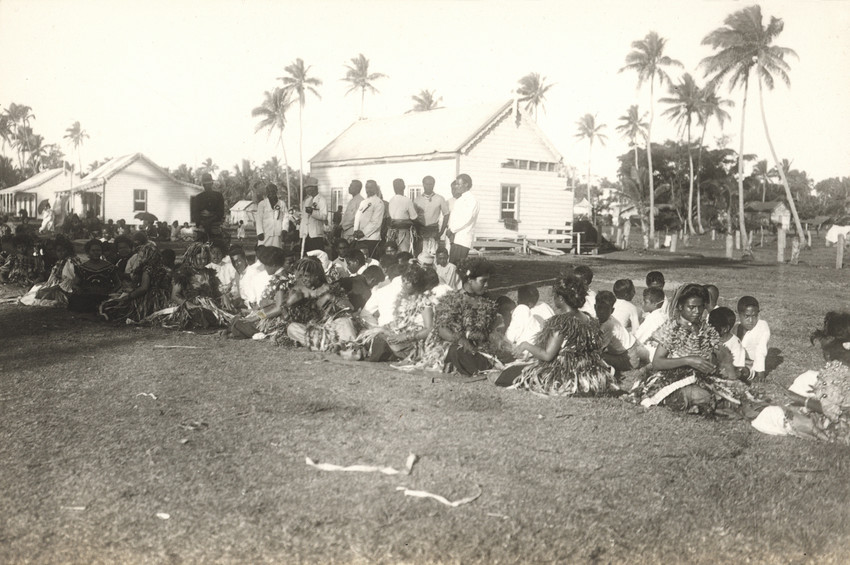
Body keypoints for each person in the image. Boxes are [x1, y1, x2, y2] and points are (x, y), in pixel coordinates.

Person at [630, 284, 737, 413]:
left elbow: (723, 355)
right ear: (681, 307)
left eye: (700, 307)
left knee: (730, 395)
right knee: (701, 396)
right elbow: (657, 362)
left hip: (701, 377)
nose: (697, 311)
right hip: (672, 378)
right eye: (691, 307)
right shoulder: (672, 329)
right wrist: (688, 360)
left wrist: (731, 379)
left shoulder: (705, 329)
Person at [752, 311, 850, 445]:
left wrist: (802, 400)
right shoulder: (841, 366)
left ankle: (791, 411)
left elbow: (834, 411)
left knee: (770, 414)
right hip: (839, 413)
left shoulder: (838, 371)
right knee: (807, 378)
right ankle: (792, 408)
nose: (826, 355)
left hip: (839, 429)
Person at [506, 275, 615, 395]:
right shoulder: (588, 318)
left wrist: (526, 345)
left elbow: (547, 355)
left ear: (561, 299)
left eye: (555, 296)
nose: (553, 299)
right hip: (589, 373)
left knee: (512, 374)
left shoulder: (561, 322)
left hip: (567, 374)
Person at [423, 257, 507, 375]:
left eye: (488, 281)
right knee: (456, 352)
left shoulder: (487, 301)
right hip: (456, 345)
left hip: (480, 346)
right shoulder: (452, 299)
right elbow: (442, 329)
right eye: (483, 281)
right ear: (470, 280)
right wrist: (462, 340)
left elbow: (490, 329)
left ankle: (484, 364)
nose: (487, 285)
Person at [363, 264, 435, 363]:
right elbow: (400, 323)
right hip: (402, 337)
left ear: (417, 284)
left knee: (384, 342)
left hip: (417, 342)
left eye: (408, 282)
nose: (403, 284)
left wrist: (405, 337)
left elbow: (429, 329)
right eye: (403, 281)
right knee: (375, 335)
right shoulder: (405, 299)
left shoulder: (425, 302)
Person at [152, 243, 233, 329]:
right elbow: (174, 295)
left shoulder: (208, 273)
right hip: (190, 305)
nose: (202, 262)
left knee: (227, 312)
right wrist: (187, 303)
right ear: (192, 258)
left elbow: (215, 290)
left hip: (209, 305)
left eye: (205, 259)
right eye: (199, 259)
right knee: (200, 314)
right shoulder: (183, 274)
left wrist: (223, 296)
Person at [285, 257, 359, 352]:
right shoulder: (300, 293)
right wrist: (289, 303)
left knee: (345, 321)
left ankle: (347, 345)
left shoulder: (331, 288)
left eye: (307, 276)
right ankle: (329, 345)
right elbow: (290, 318)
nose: (303, 279)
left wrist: (331, 298)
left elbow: (350, 307)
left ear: (316, 276)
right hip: (315, 331)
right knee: (292, 328)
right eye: (301, 276)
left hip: (333, 327)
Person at [99, 242, 171, 322]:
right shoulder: (164, 268)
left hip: (150, 299)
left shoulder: (147, 269)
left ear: (149, 257)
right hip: (164, 299)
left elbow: (144, 288)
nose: (139, 259)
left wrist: (129, 296)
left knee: (120, 308)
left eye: (141, 257)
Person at [596, 290, 649, 372]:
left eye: (606, 309)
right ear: (594, 307)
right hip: (633, 349)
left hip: (629, 358)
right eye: (599, 308)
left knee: (597, 357)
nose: (602, 312)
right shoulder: (607, 320)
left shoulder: (608, 325)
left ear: (612, 310)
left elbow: (598, 348)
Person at [21, 235, 79, 307]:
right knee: (36, 289)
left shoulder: (70, 261)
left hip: (65, 290)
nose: (61, 253)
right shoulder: (60, 261)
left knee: (39, 294)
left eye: (63, 250)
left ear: (68, 250)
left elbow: (69, 282)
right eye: (58, 251)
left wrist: (50, 289)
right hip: (56, 285)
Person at [69, 238, 120, 313]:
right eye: (93, 250)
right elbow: (75, 284)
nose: (96, 252)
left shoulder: (109, 267)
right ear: (88, 252)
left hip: (104, 296)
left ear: (101, 251)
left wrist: (111, 292)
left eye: (98, 250)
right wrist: (78, 289)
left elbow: (118, 283)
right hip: (88, 296)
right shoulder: (82, 268)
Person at [505, 285, 554, 349]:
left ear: (529, 304)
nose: (517, 301)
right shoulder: (544, 305)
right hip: (550, 346)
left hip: (530, 350)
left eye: (519, 299)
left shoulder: (522, 309)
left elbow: (509, 337)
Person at [445, 174, 479, 265]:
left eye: (458, 184)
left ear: (466, 184)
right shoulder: (460, 199)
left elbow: (467, 219)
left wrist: (452, 230)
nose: (456, 187)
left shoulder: (471, 200)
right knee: (452, 265)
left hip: (462, 239)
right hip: (455, 238)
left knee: (457, 266)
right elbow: (455, 218)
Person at [707, 306, 748, 381]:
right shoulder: (708, 338)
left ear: (725, 329)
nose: (709, 328)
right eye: (708, 325)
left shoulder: (735, 344)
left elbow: (737, 368)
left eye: (713, 327)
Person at [735, 296, 770, 380]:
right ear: (738, 313)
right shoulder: (735, 327)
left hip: (751, 364)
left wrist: (760, 372)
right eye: (746, 316)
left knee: (743, 372)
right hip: (735, 361)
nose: (751, 320)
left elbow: (761, 349)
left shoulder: (762, 326)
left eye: (754, 316)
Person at [414, 176, 450, 255]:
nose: (429, 186)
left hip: (433, 231)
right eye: (426, 184)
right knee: (420, 255)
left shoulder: (440, 198)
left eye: (431, 184)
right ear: (423, 184)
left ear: (434, 184)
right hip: (420, 232)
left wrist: (441, 232)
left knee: (432, 256)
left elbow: (446, 214)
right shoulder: (417, 199)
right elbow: (414, 217)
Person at [352, 180, 385, 259]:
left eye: (371, 187)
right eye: (367, 187)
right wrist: (356, 232)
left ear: (376, 189)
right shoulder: (363, 202)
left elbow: (376, 222)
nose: (368, 190)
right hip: (360, 239)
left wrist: (363, 232)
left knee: (370, 261)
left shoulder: (378, 202)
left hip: (371, 239)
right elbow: (358, 218)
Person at [634, 286, 667, 359]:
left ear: (655, 304)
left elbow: (637, 338)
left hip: (650, 354)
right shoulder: (662, 315)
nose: (642, 303)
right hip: (657, 353)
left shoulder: (652, 318)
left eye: (646, 302)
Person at [191, 172, 226, 242]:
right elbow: (195, 214)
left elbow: (220, 213)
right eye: (205, 184)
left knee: (219, 249)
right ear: (203, 185)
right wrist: (202, 221)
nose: (207, 186)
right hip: (202, 228)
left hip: (215, 228)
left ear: (212, 184)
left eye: (209, 184)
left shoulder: (218, 196)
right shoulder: (198, 197)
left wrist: (209, 220)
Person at [387, 178, 418, 254]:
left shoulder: (391, 200)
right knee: (404, 254)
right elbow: (414, 217)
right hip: (403, 232)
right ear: (404, 187)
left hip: (391, 233)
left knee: (393, 253)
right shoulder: (407, 200)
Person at [300, 177, 327, 254]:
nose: (306, 189)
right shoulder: (307, 201)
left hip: (315, 234)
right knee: (306, 255)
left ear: (314, 188)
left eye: (308, 187)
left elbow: (324, 216)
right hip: (305, 234)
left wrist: (312, 212)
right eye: (306, 187)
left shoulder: (322, 200)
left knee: (317, 256)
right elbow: (304, 217)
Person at [256, 182, 284, 248]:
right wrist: (260, 232)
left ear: (276, 192)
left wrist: (284, 230)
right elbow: (259, 220)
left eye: (273, 191)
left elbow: (285, 218)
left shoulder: (281, 203)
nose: (271, 193)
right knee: (262, 252)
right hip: (265, 233)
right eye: (269, 191)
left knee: (276, 252)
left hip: (277, 234)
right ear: (267, 192)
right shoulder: (262, 204)